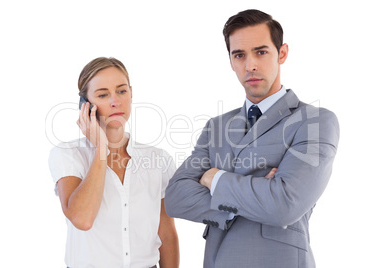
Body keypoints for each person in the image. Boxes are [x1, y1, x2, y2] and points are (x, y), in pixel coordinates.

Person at [165, 9, 339, 268]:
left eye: (261, 52)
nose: (250, 65)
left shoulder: (314, 122)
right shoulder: (217, 126)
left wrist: (215, 178)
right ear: (231, 61)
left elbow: (284, 205)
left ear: (282, 53)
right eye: (239, 55)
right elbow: (176, 198)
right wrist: (260, 193)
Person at [48, 57, 179, 268]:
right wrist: (101, 149)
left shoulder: (158, 159)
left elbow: (166, 234)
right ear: (85, 105)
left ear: (131, 93)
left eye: (121, 91)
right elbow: (82, 219)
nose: (115, 101)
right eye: (103, 94)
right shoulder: (68, 154)